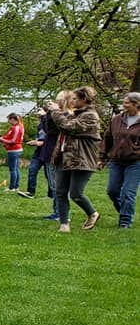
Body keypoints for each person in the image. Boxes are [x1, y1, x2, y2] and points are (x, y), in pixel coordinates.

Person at [47, 87, 102, 231]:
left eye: (75, 98)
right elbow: (54, 128)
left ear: (84, 99)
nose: (72, 101)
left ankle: (92, 213)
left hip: (81, 160)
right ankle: (64, 224)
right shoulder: (75, 115)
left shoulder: (91, 117)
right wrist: (50, 113)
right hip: (64, 158)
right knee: (60, 192)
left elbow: (67, 127)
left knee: (76, 193)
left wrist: (55, 111)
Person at [103, 92, 140, 228]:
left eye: (127, 103)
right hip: (116, 161)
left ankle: (125, 221)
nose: (124, 105)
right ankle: (125, 211)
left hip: (135, 162)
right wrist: (102, 157)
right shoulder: (117, 119)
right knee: (112, 191)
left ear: (136, 104)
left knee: (128, 193)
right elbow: (107, 138)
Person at [24, 103, 57, 205]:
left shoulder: (50, 121)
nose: (38, 113)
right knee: (32, 170)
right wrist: (36, 142)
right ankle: (30, 192)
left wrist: (44, 117)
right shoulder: (40, 124)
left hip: (47, 152)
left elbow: (51, 136)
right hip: (39, 151)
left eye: (40, 110)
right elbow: (42, 136)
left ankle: (51, 195)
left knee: (49, 175)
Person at [0, 112, 25, 194]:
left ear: (13, 119)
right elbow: (9, 137)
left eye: (9, 119)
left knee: (13, 169)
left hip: (14, 150)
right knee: (16, 168)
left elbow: (13, 141)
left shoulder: (17, 128)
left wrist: (2, 140)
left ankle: (12, 187)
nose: (8, 121)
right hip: (14, 150)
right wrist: (2, 138)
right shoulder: (15, 127)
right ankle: (16, 186)